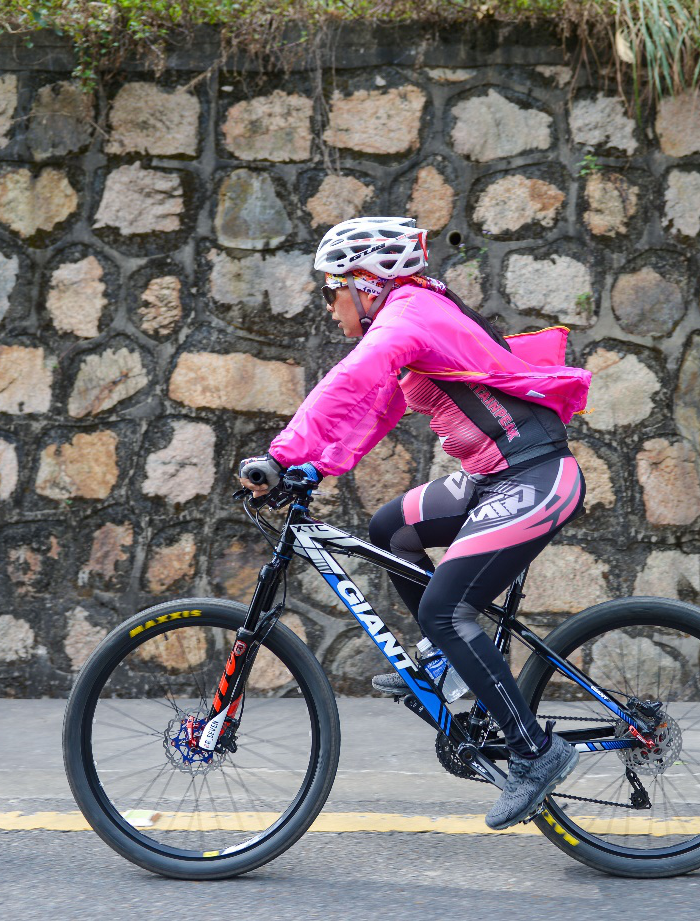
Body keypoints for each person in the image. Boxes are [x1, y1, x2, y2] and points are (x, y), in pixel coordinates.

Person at [237, 216, 591, 830]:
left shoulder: (408, 317)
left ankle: (536, 753)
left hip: (533, 479)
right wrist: (311, 469)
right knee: (390, 527)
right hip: (494, 476)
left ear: (365, 282)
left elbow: (350, 378)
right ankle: (450, 662)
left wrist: (283, 453)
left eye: (331, 289)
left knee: (444, 611)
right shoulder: (413, 316)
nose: (329, 306)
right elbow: (373, 407)